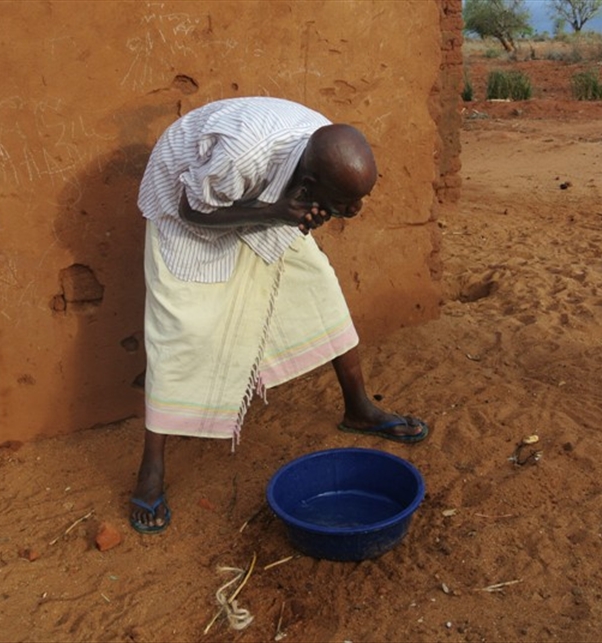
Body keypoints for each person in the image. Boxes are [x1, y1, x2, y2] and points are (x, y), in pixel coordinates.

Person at [130, 97, 428, 534]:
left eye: (359, 201)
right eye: (345, 203)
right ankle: (151, 468)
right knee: (182, 328)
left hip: (268, 199)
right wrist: (273, 210)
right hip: (189, 203)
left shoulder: (325, 144)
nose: (354, 213)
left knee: (319, 287)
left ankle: (360, 408)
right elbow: (192, 209)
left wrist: (296, 209)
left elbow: (300, 200)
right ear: (309, 183)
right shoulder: (240, 158)